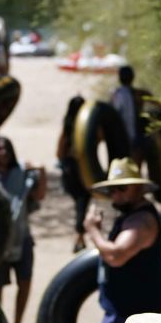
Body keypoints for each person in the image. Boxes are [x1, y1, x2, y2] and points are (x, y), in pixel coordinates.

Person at [81, 158, 161, 323]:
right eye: (112, 189)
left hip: (130, 314)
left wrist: (92, 230)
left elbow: (116, 255)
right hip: (121, 311)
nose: (115, 194)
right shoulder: (130, 217)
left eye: (121, 188)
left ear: (138, 188)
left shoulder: (141, 220)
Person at [0, 137, 43, 323]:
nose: (2, 152)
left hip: (22, 237)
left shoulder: (22, 173)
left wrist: (41, 170)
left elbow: (40, 195)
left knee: (24, 282)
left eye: (5, 148)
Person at [55, 95, 93, 252]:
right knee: (82, 202)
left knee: (80, 203)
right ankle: (80, 237)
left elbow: (59, 152)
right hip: (81, 169)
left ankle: (80, 237)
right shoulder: (87, 126)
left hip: (71, 170)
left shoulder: (68, 127)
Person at [112, 65, 141, 149]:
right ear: (132, 78)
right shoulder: (139, 94)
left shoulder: (115, 94)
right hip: (135, 138)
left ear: (119, 78)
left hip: (119, 138)